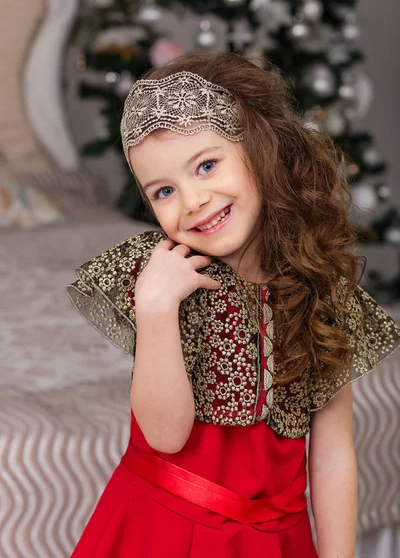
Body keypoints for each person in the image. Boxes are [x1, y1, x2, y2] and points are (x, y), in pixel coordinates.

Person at [67, 51, 400, 558]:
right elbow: (163, 435)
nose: (193, 200)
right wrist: (155, 309)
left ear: (259, 150)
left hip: (280, 542)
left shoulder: (320, 289)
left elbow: (333, 454)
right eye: (163, 191)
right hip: (164, 534)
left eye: (206, 165)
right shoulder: (164, 279)